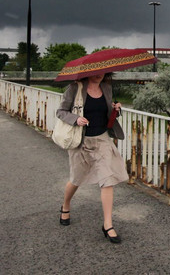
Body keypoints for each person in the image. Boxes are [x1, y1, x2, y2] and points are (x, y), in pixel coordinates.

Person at [56, 73, 128, 243]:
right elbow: (61, 111)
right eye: (95, 73)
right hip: (81, 141)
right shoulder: (75, 88)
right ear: (88, 73)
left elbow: (107, 113)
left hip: (102, 139)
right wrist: (76, 118)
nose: (98, 76)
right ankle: (65, 206)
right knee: (76, 179)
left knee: (107, 179)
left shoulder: (107, 88)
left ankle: (108, 225)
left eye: (101, 73)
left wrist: (116, 110)